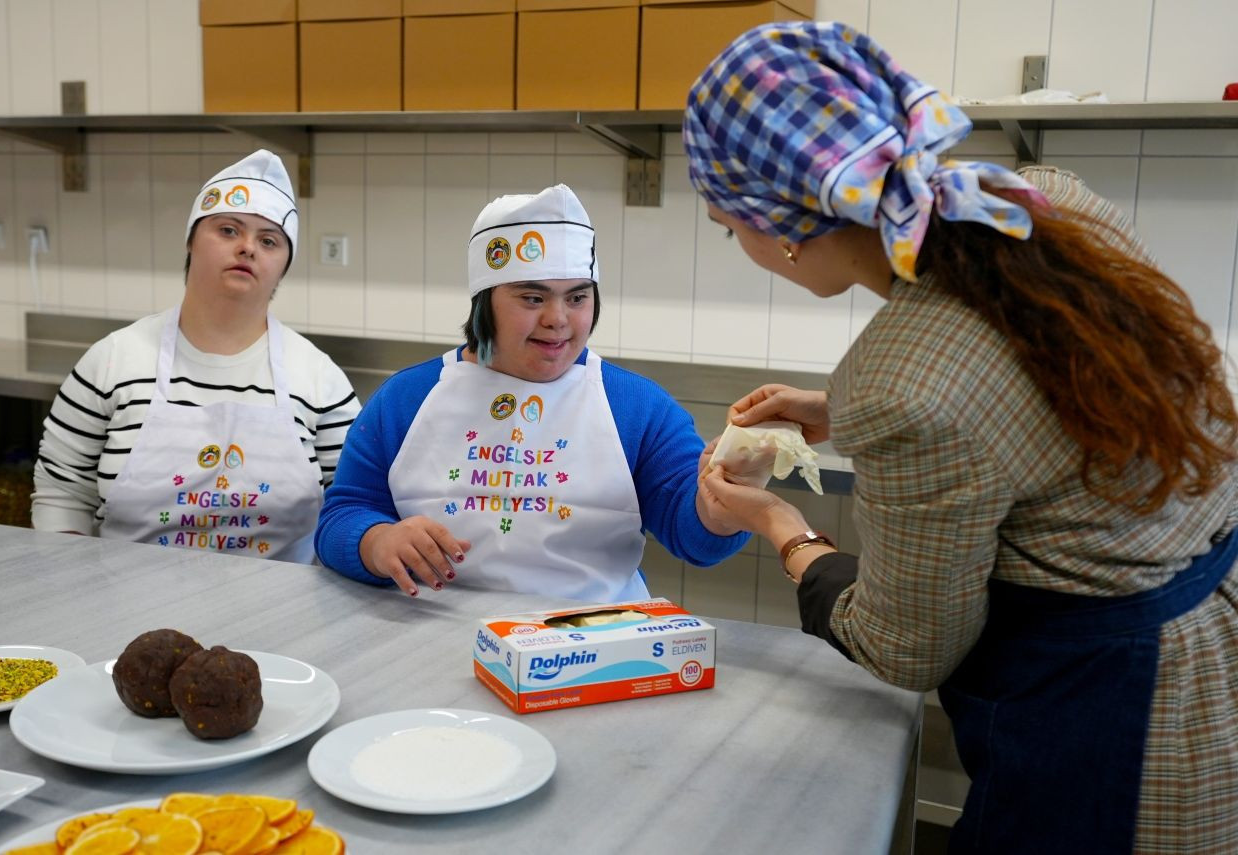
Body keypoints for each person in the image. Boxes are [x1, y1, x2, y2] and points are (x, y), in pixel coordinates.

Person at [684, 21, 1238, 855]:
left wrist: (782, 529)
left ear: (783, 226)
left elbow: (908, 645)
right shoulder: (1039, 200)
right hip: (1210, 637)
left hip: (1110, 719)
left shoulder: (903, 383)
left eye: (732, 228)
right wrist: (831, 410)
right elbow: (1043, 386)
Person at [316, 184, 748, 601]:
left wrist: (721, 507)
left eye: (577, 298)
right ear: (485, 301)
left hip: (590, 641)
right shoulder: (406, 399)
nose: (558, 319)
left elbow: (695, 537)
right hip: (435, 634)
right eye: (532, 298)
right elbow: (341, 516)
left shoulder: (639, 409)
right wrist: (377, 542)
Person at [31, 150, 361, 563]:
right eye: (228, 230)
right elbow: (62, 491)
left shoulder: (319, 379)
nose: (247, 248)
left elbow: (351, 504)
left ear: (284, 265)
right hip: (125, 609)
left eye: (269, 241)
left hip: (278, 615)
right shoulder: (112, 362)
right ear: (191, 241)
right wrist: (70, 581)